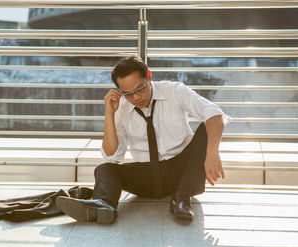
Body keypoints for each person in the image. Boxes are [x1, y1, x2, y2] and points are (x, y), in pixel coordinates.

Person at [56, 56, 230, 224]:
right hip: (147, 177)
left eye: (139, 89)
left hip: (182, 170)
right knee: (104, 169)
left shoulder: (174, 91)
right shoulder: (121, 108)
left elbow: (215, 114)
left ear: (148, 76)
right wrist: (110, 114)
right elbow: (112, 157)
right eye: (128, 94)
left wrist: (212, 154)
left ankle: (181, 198)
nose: (136, 98)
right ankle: (104, 206)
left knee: (206, 129)